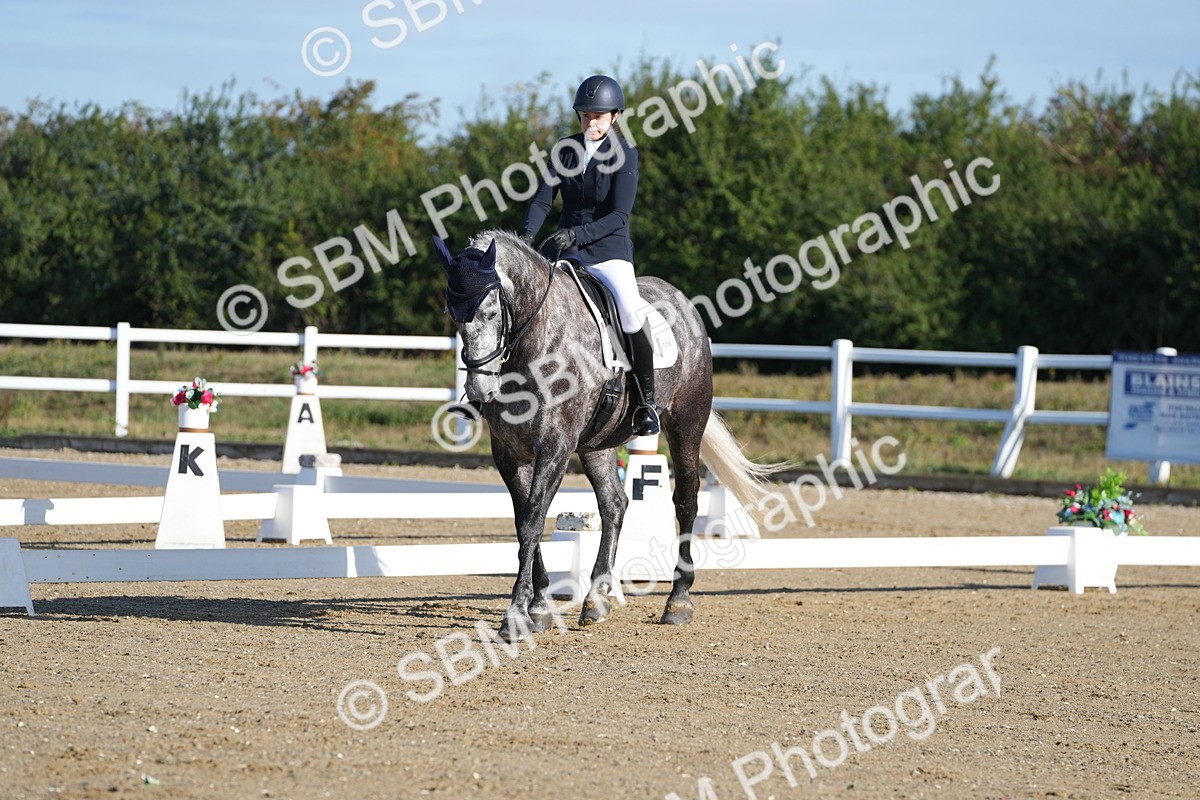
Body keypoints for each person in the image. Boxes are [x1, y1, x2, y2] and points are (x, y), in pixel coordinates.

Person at [521, 74, 661, 436]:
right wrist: (524, 241)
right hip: (566, 250)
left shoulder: (625, 153)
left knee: (630, 313)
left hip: (608, 250)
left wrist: (576, 234)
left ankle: (647, 403)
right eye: (585, 115)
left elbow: (619, 216)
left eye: (598, 116)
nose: (591, 122)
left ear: (614, 116)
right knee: (525, 304)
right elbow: (541, 199)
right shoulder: (563, 150)